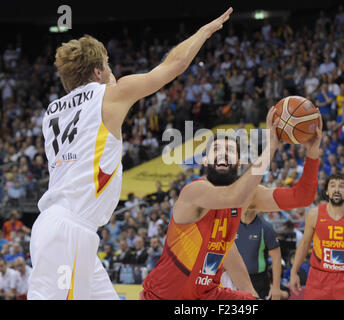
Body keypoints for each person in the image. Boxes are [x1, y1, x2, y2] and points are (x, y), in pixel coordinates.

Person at [28, 8, 235, 300]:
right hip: (67, 231)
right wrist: (205, 31)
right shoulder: (109, 95)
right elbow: (173, 65)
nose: (114, 71)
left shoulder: (51, 113)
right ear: (98, 71)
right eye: (108, 65)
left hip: (71, 230)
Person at [141, 106, 322, 300]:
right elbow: (232, 196)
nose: (223, 153)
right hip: (164, 297)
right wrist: (270, 147)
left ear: (238, 163)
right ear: (204, 161)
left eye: (230, 151)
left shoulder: (246, 198)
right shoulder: (195, 191)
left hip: (206, 296)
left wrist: (312, 153)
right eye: (216, 149)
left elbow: (302, 197)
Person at [235, 209, 284, 300]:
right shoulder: (232, 224)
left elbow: (276, 258)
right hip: (234, 279)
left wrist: (276, 287)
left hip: (258, 282)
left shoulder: (265, 227)